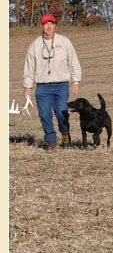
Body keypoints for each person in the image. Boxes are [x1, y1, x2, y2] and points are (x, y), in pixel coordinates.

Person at [23, 13, 82, 150]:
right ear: (41, 26)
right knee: (44, 114)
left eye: (51, 24)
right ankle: (50, 140)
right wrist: (27, 87)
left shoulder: (64, 41)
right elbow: (29, 67)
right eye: (46, 24)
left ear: (54, 25)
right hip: (42, 87)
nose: (48, 26)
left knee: (62, 113)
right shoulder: (35, 45)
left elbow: (73, 61)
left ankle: (65, 133)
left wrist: (76, 81)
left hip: (61, 85)